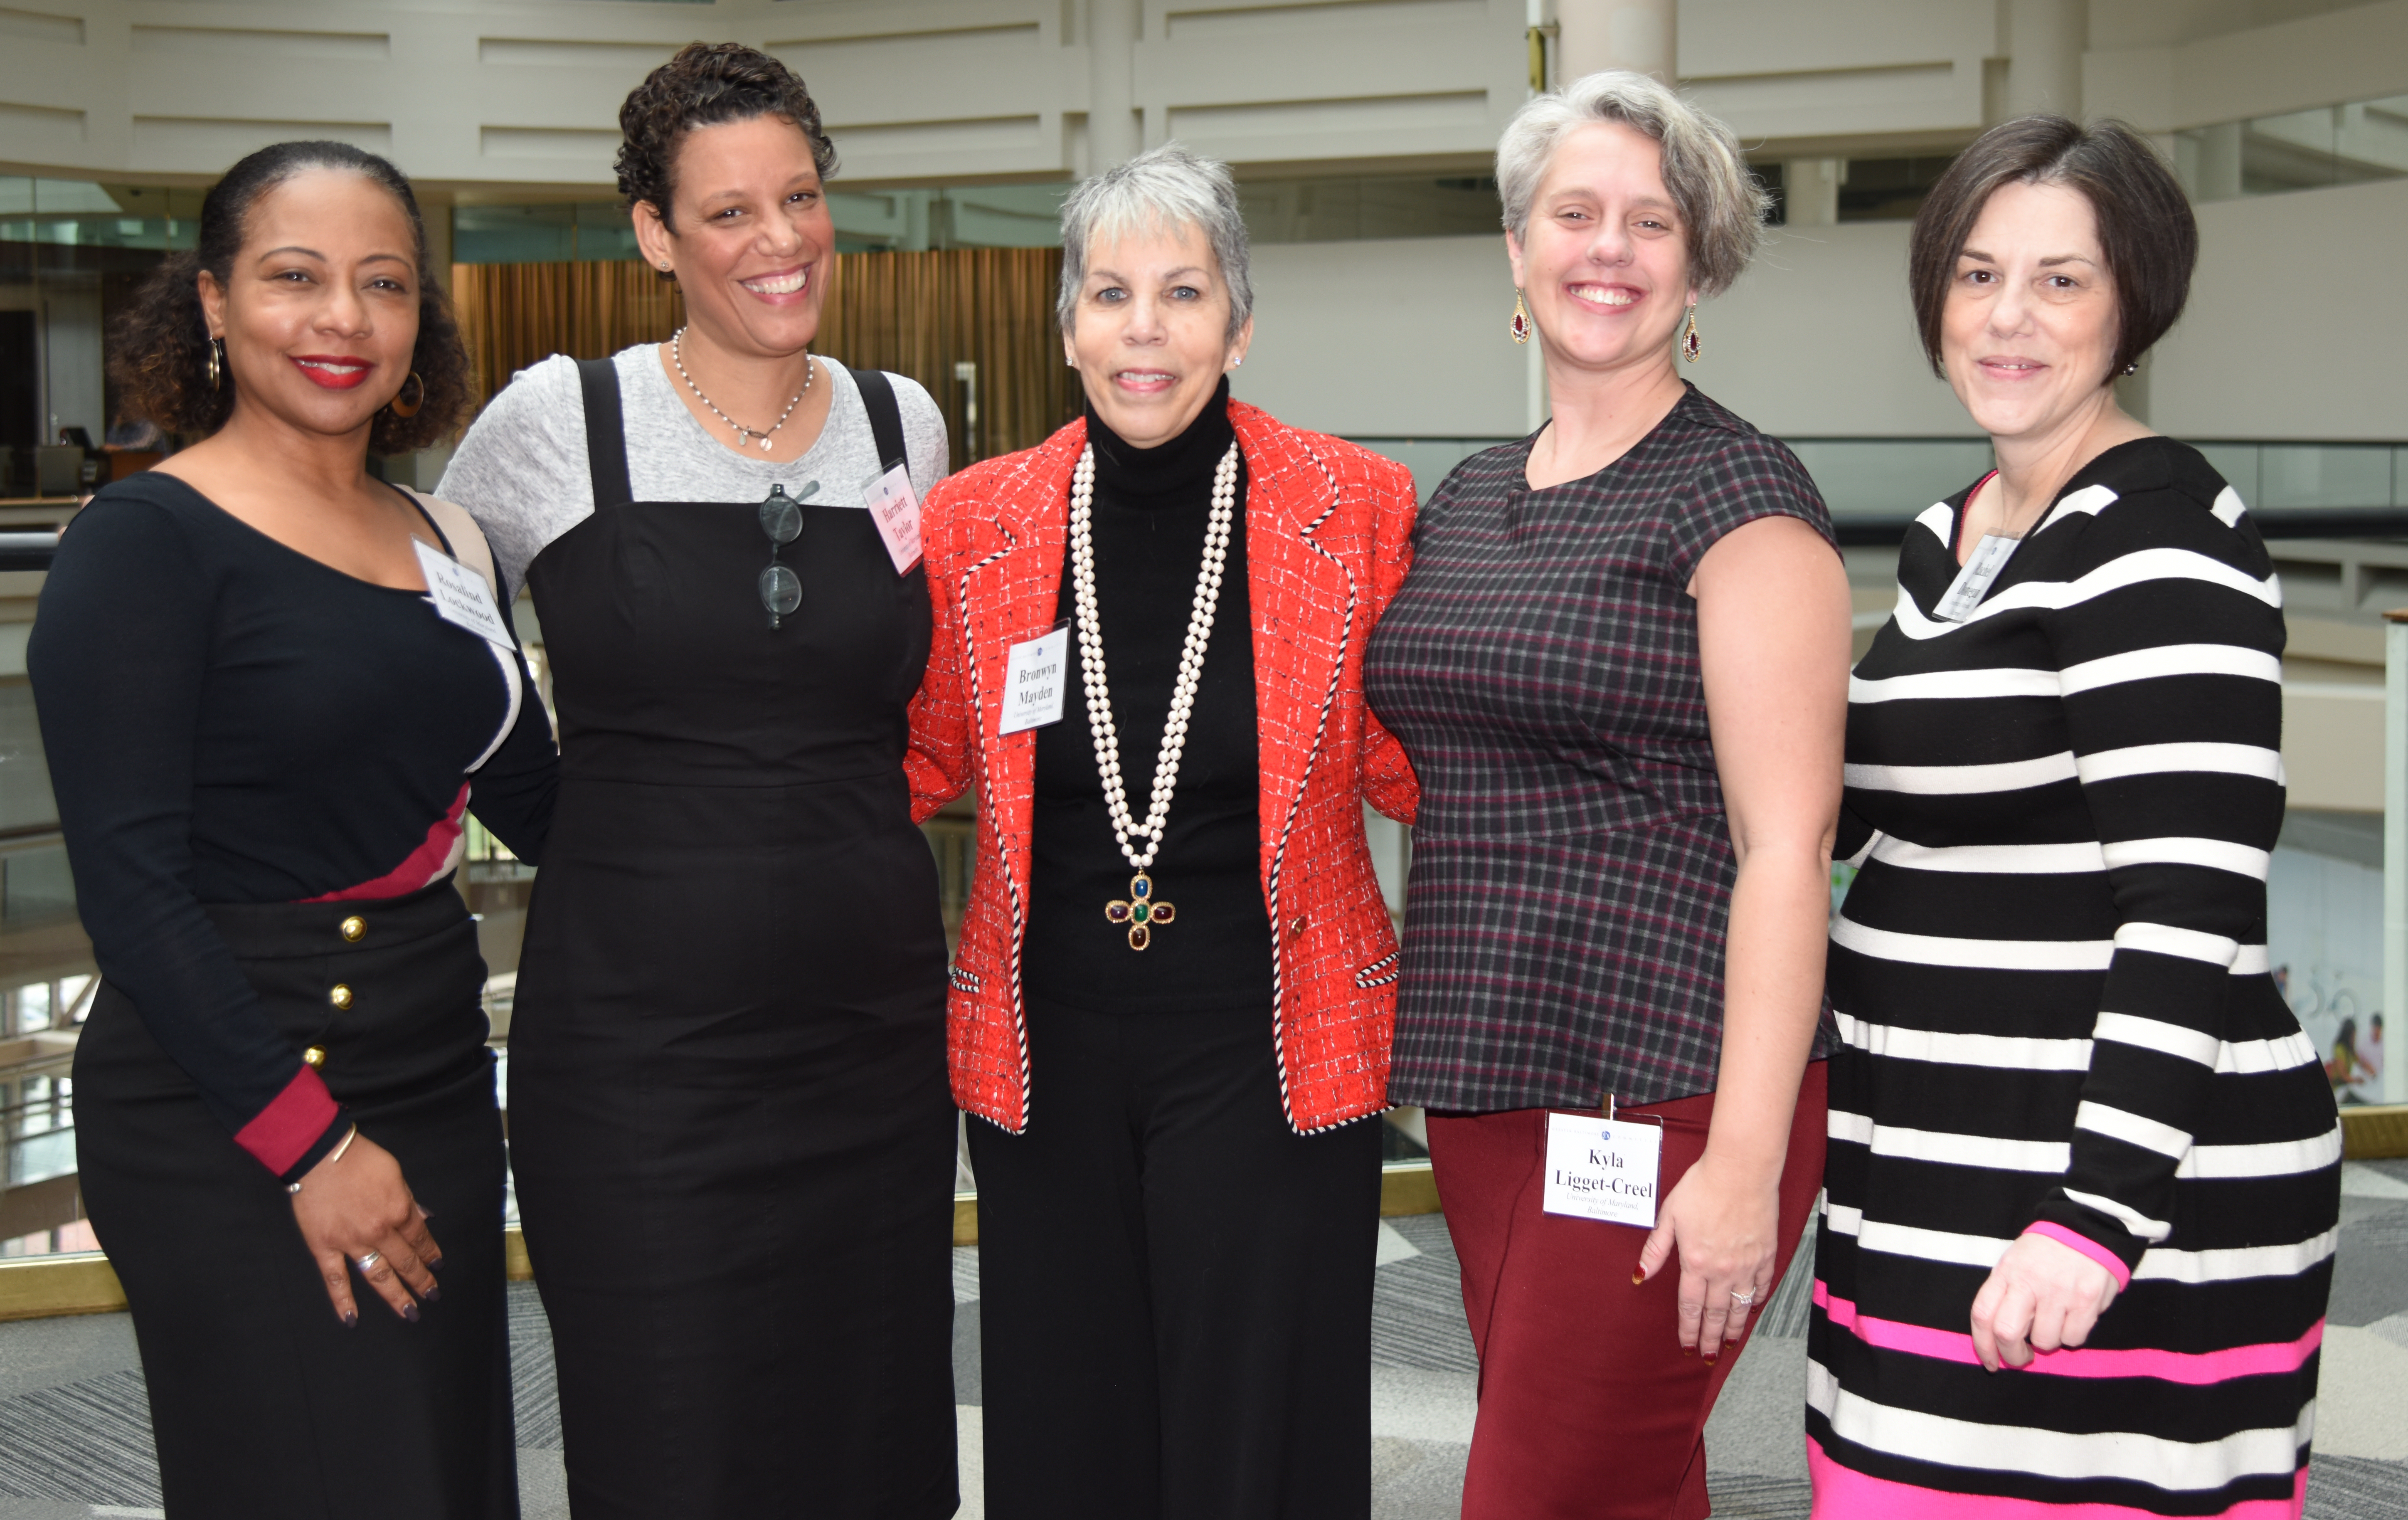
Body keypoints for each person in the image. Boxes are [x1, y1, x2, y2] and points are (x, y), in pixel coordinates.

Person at [437, 43, 956, 1519]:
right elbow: (429, 654)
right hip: (639, 1057)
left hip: (870, 1032)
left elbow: (910, 686)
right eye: (729, 213)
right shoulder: (554, 425)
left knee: (872, 1424)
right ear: (656, 236)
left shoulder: (897, 421)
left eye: (800, 198)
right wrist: (587, 828)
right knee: (671, 1431)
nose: (780, 241)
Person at [1814, 115, 2341, 1516]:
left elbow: (2191, 910)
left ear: (2135, 299)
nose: (2007, 319)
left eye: (2062, 280)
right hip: (1927, 1162)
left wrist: (2092, 1224)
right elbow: (1862, 809)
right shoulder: (1960, 530)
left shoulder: (2162, 537)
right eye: (1978, 274)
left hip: (2105, 1195)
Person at [31, 141, 552, 1518]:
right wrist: (311, 1147)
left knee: (435, 1474)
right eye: (294, 278)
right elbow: (131, 894)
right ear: (211, 302)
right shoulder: (144, 543)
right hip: (232, 1103)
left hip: (436, 1075)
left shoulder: (451, 539)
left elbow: (550, 806)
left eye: (383, 284)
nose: (343, 320)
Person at [1361, 71, 1850, 1519]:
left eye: (1653, 222)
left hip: (1678, 1095)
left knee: (1536, 1495)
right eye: (1575, 213)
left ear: (1699, 265)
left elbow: (1788, 848)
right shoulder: (1465, 496)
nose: (1610, 249)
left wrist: (1745, 1167)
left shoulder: (1742, 501)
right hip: (1491, 1087)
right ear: (1517, 250)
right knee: (1625, 1482)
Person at [907, 143, 1419, 1520]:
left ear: (1238, 322)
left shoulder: (1355, 508)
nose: (1146, 330)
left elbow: (1419, 763)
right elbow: (914, 755)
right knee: (1067, 1422)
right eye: (1113, 292)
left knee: (1261, 1423)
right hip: (1042, 1053)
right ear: (1067, 320)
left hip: (1275, 1044)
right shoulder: (977, 523)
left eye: (1184, 294)